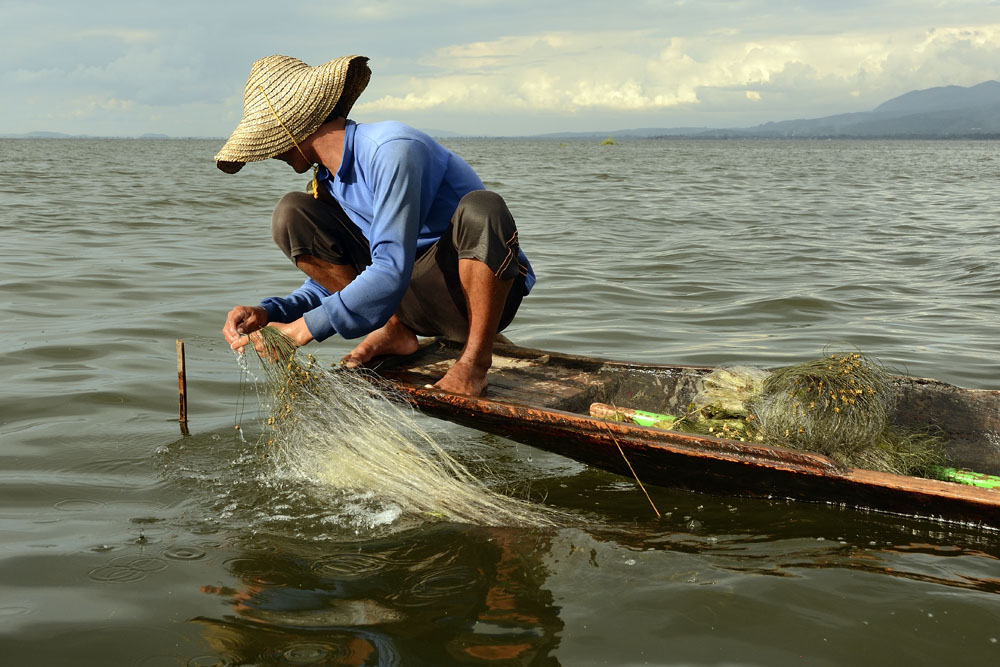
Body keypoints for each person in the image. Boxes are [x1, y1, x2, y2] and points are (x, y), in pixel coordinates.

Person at [216, 55, 534, 396]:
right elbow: (337, 280)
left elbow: (389, 270)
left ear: (294, 130)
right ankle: (395, 329)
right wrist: (272, 312)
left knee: (483, 208)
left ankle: (474, 361)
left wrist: (299, 331)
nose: (272, 153)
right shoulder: (328, 181)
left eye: (273, 140)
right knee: (292, 212)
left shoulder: (392, 149)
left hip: (471, 296)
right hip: (408, 301)